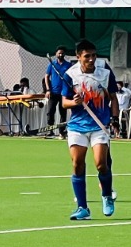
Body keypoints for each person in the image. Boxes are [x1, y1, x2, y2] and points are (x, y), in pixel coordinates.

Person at [62, 38, 117, 220]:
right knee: (77, 164)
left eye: (94, 55)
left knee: (101, 163)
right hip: (77, 126)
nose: (92, 59)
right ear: (79, 57)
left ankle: (107, 196)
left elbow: (113, 98)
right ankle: (82, 208)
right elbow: (64, 102)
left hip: (99, 125)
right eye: (87, 56)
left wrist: (115, 119)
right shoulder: (70, 75)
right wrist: (74, 102)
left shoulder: (105, 73)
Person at [44, 47, 72, 129]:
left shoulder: (68, 65)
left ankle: (62, 132)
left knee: (63, 113)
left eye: (62, 53)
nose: (61, 55)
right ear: (56, 54)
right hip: (53, 92)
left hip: (64, 93)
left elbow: (71, 77)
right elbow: (46, 76)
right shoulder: (52, 65)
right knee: (50, 112)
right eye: (59, 53)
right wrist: (48, 90)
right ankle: (50, 130)